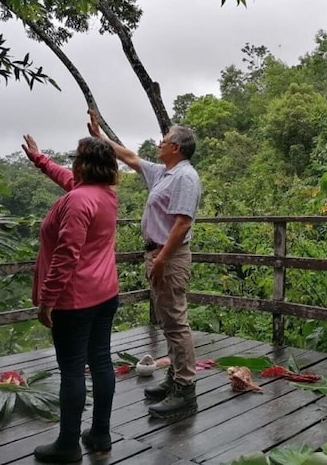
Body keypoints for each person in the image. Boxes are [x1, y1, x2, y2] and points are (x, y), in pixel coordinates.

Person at [87, 111, 202, 420]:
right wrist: (101, 137)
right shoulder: (164, 173)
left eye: (163, 141)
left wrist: (162, 260)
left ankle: (186, 390)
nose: (158, 144)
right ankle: (175, 378)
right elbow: (131, 157)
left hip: (170, 257)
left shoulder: (185, 177)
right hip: (158, 255)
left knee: (176, 322)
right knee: (168, 321)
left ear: (176, 147)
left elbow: (181, 224)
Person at [22, 135, 120, 463]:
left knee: (73, 371)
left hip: (75, 301)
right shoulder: (105, 194)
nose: (72, 164)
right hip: (105, 294)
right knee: (102, 361)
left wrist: (47, 300)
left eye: (76, 158)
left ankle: (67, 444)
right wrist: (40, 159)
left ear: (83, 164)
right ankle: (100, 434)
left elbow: (67, 254)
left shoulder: (78, 201)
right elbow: (70, 181)